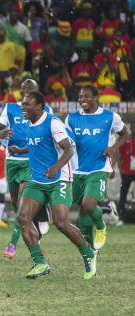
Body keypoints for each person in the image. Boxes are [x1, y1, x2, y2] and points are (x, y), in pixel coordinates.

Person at [12, 91, 96, 280]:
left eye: (27, 104)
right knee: (23, 218)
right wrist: (21, 150)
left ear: (39, 106)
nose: (23, 107)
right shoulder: (28, 124)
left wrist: (54, 168)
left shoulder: (53, 122)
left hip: (59, 180)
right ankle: (40, 262)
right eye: (22, 104)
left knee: (61, 223)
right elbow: (39, 145)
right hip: (38, 180)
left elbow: (68, 149)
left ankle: (88, 253)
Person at [65, 85, 128, 249]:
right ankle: (91, 250)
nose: (82, 100)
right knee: (83, 210)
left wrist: (114, 148)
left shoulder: (110, 117)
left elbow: (125, 133)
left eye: (86, 96)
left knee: (88, 204)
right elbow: (67, 142)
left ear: (95, 98)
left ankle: (101, 227)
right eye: (80, 97)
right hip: (78, 169)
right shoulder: (71, 119)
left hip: (99, 167)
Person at [0, 79, 51, 259]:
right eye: (23, 88)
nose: (26, 90)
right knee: (17, 203)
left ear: (36, 91)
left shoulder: (44, 109)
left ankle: (12, 243)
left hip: (31, 160)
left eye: (30, 88)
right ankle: (41, 213)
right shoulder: (10, 108)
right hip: (12, 160)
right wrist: (0, 135)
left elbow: (50, 131)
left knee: (23, 203)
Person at [117, 122, 135, 219]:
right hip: (127, 172)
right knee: (123, 193)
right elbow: (119, 156)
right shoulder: (126, 140)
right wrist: (121, 170)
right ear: (131, 128)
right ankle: (121, 214)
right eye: (133, 126)